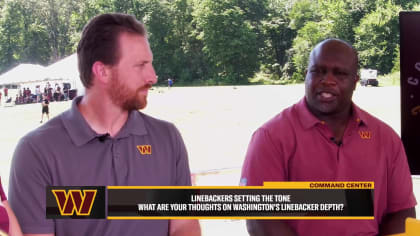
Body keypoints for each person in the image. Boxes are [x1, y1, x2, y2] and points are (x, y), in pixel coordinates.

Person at [9, 13, 200, 236]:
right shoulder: (37, 152)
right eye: (140, 65)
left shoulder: (167, 138)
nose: (153, 76)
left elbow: (184, 224)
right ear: (102, 72)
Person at [241, 38, 417, 236]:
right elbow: (260, 220)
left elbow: (402, 212)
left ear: (355, 82)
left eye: (340, 73)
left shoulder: (386, 138)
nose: (327, 80)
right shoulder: (270, 137)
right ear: (306, 75)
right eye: (318, 71)